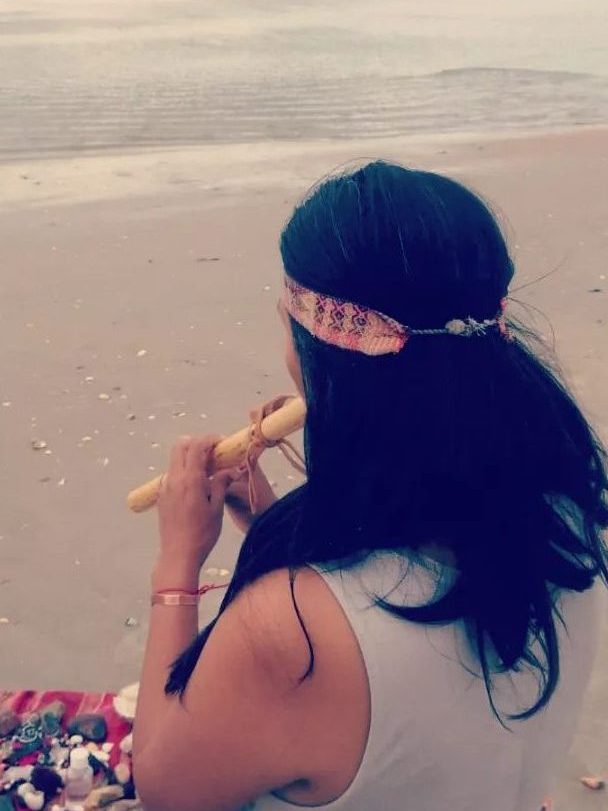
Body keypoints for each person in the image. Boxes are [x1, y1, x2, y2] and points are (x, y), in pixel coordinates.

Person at [132, 161, 607, 811]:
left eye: (288, 327)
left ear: (322, 359)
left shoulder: (290, 631)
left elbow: (165, 790)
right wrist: (272, 516)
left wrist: (177, 563)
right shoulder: (565, 516)